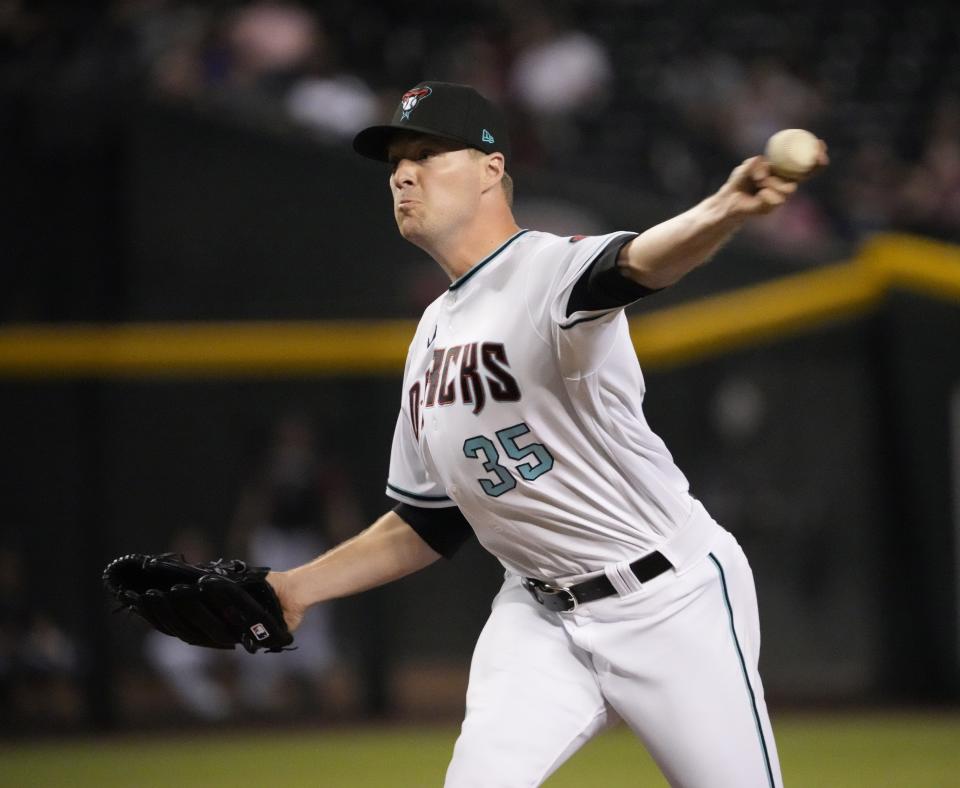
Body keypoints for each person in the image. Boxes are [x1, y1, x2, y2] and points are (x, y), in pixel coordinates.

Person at [267, 81, 827, 787]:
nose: (403, 173)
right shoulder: (432, 332)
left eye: (427, 153)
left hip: (668, 599)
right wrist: (296, 587)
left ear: (491, 169)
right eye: (395, 162)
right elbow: (431, 520)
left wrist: (724, 209)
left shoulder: (546, 270)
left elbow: (636, 264)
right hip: (537, 613)